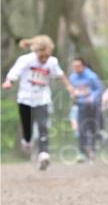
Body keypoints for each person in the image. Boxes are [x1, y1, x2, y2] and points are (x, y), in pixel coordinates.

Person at [2, 35, 75, 170]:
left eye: (47, 57)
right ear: (36, 52)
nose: (44, 60)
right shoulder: (25, 60)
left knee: (43, 125)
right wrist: (9, 82)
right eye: (42, 57)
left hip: (42, 98)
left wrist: (70, 87)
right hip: (25, 98)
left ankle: (44, 154)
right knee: (27, 128)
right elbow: (15, 72)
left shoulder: (52, 62)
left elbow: (60, 75)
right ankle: (27, 141)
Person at [69, 56, 103, 161]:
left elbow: (99, 89)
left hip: (93, 107)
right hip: (81, 106)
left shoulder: (91, 76)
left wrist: (92, 97)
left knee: (93, 129)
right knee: (82, 129)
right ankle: (82, 153)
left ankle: (92, 151)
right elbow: (71, 90)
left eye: (78, 66)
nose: (76, 68)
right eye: (74, 66)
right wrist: (73, 94)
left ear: (83, 66)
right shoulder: (72, 77)